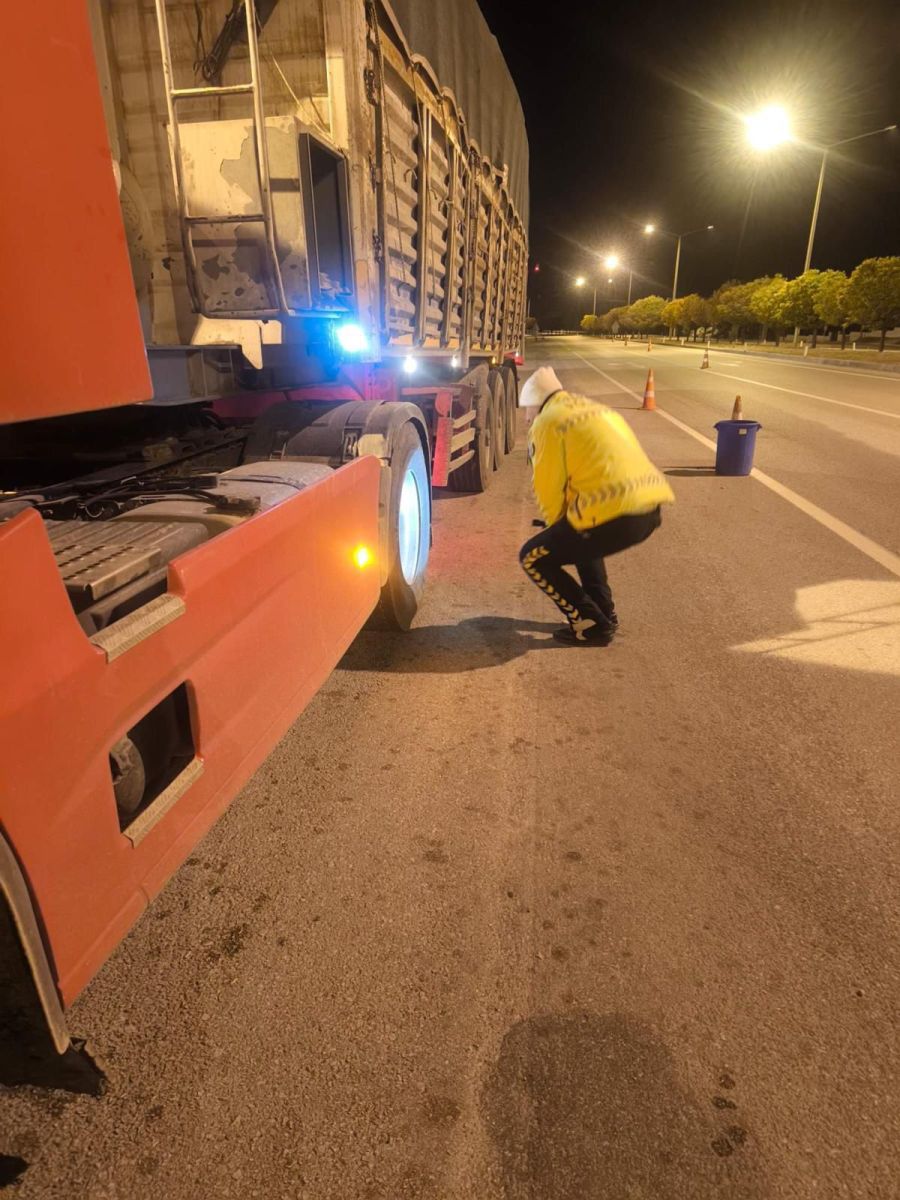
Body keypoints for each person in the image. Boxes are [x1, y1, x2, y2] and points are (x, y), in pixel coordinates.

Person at [517, 365, 674, 645]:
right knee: (580, 534)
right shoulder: (594, 409)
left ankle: (590, 625)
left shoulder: (548, 422)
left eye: (527, 410)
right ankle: (604, 612)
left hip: (615, 512)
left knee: (532, 557)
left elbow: (548, 485)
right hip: (649, 507)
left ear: (535, 403)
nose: (527, 417)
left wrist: (554, 525)